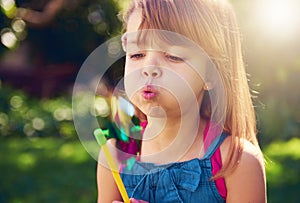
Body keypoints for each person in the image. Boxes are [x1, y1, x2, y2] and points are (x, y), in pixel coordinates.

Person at [97, 0, 266, 202]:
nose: (149, 68)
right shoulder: (115, 156)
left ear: (210, 75)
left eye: (173, 56)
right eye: (137, 54)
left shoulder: (237, 162)